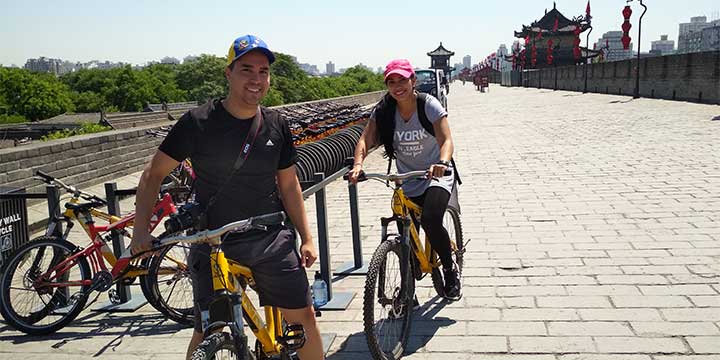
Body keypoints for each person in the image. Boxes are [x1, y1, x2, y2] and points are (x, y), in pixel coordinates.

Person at [130, 34, 324, 360]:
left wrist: (306, 237)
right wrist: (139, 231)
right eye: (246, 69)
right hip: (212, 239)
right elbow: (153, 175)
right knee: (208, 329)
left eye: (263, 72)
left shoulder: (276, 125)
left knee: (302, 318)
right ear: (228, 73)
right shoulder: (198, 122)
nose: (256, 79)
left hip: (268, 235)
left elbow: (289, 186)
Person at [348, 58, 462, 301]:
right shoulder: (384, 111)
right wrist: (358, 165)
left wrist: (441, 162)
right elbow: (365, 140)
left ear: (413, 81)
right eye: (392, 82)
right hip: (406, 179)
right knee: (405, 235)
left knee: (431, 219)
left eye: (402, 80)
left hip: (437, 175)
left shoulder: (428, 104)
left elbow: (447, 140)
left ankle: (450, 270)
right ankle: (408, 289)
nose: (398, 86)